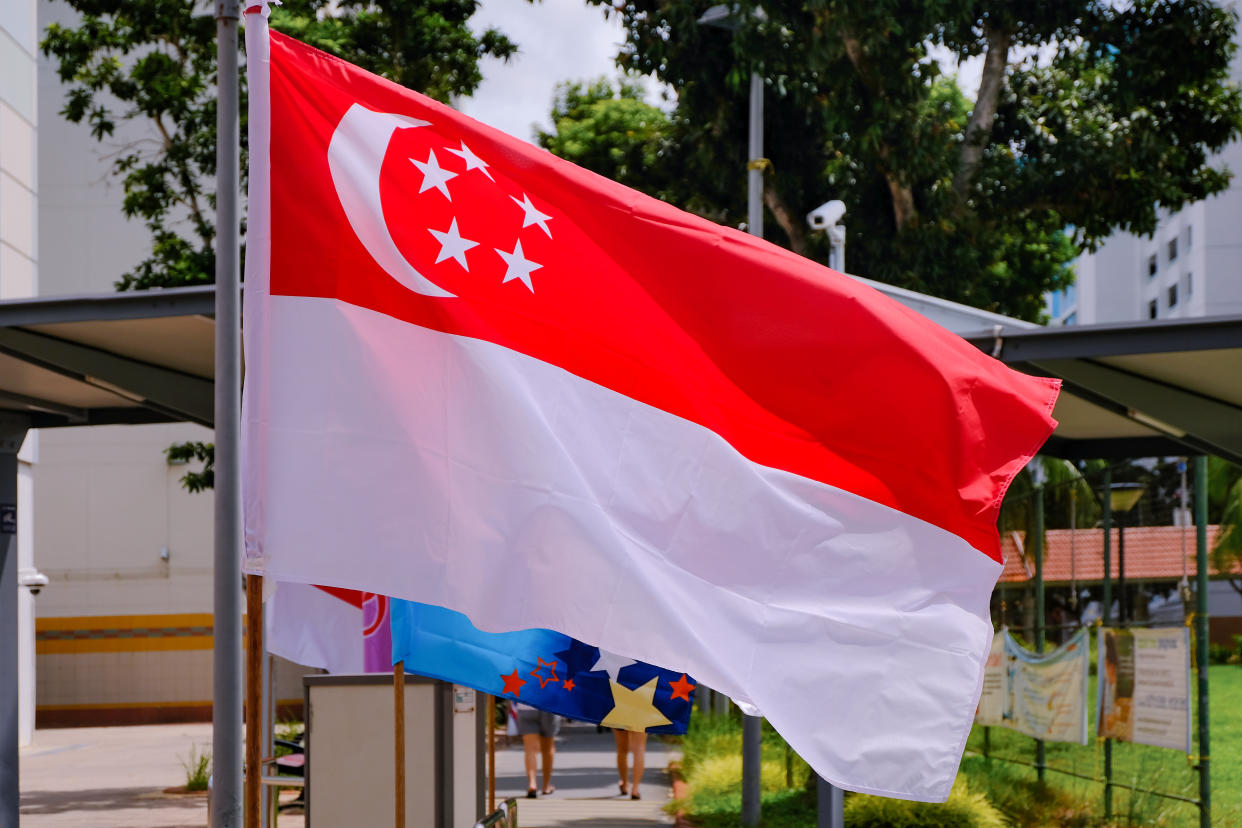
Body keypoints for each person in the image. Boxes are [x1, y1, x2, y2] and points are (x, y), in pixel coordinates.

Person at [514, 702, 562, 798]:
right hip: (548, 705)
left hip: (526, 705)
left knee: (530, 749)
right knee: (548, 748)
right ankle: (546, 786)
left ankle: (532, 784)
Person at [613, 727, 648, 800]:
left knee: (622, 749)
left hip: (619, 716)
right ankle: (635, 789)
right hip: (642, 716)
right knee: (639, 748)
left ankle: (624, 784)